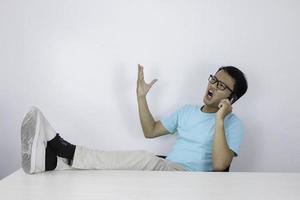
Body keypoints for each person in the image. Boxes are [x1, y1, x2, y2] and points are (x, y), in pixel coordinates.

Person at [21, 64, 247, 174]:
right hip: (168, 171)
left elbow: (220, 166)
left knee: (145, 159)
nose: (212, 86)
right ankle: (56, 163)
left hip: (192, 181)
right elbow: (150, 131)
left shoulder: (233, 124)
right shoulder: (187, 111)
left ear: (231, 97)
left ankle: (64, 150)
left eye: (221, 85)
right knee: (127, 170)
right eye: (213, 79)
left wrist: (219, 119)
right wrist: (141, 97)